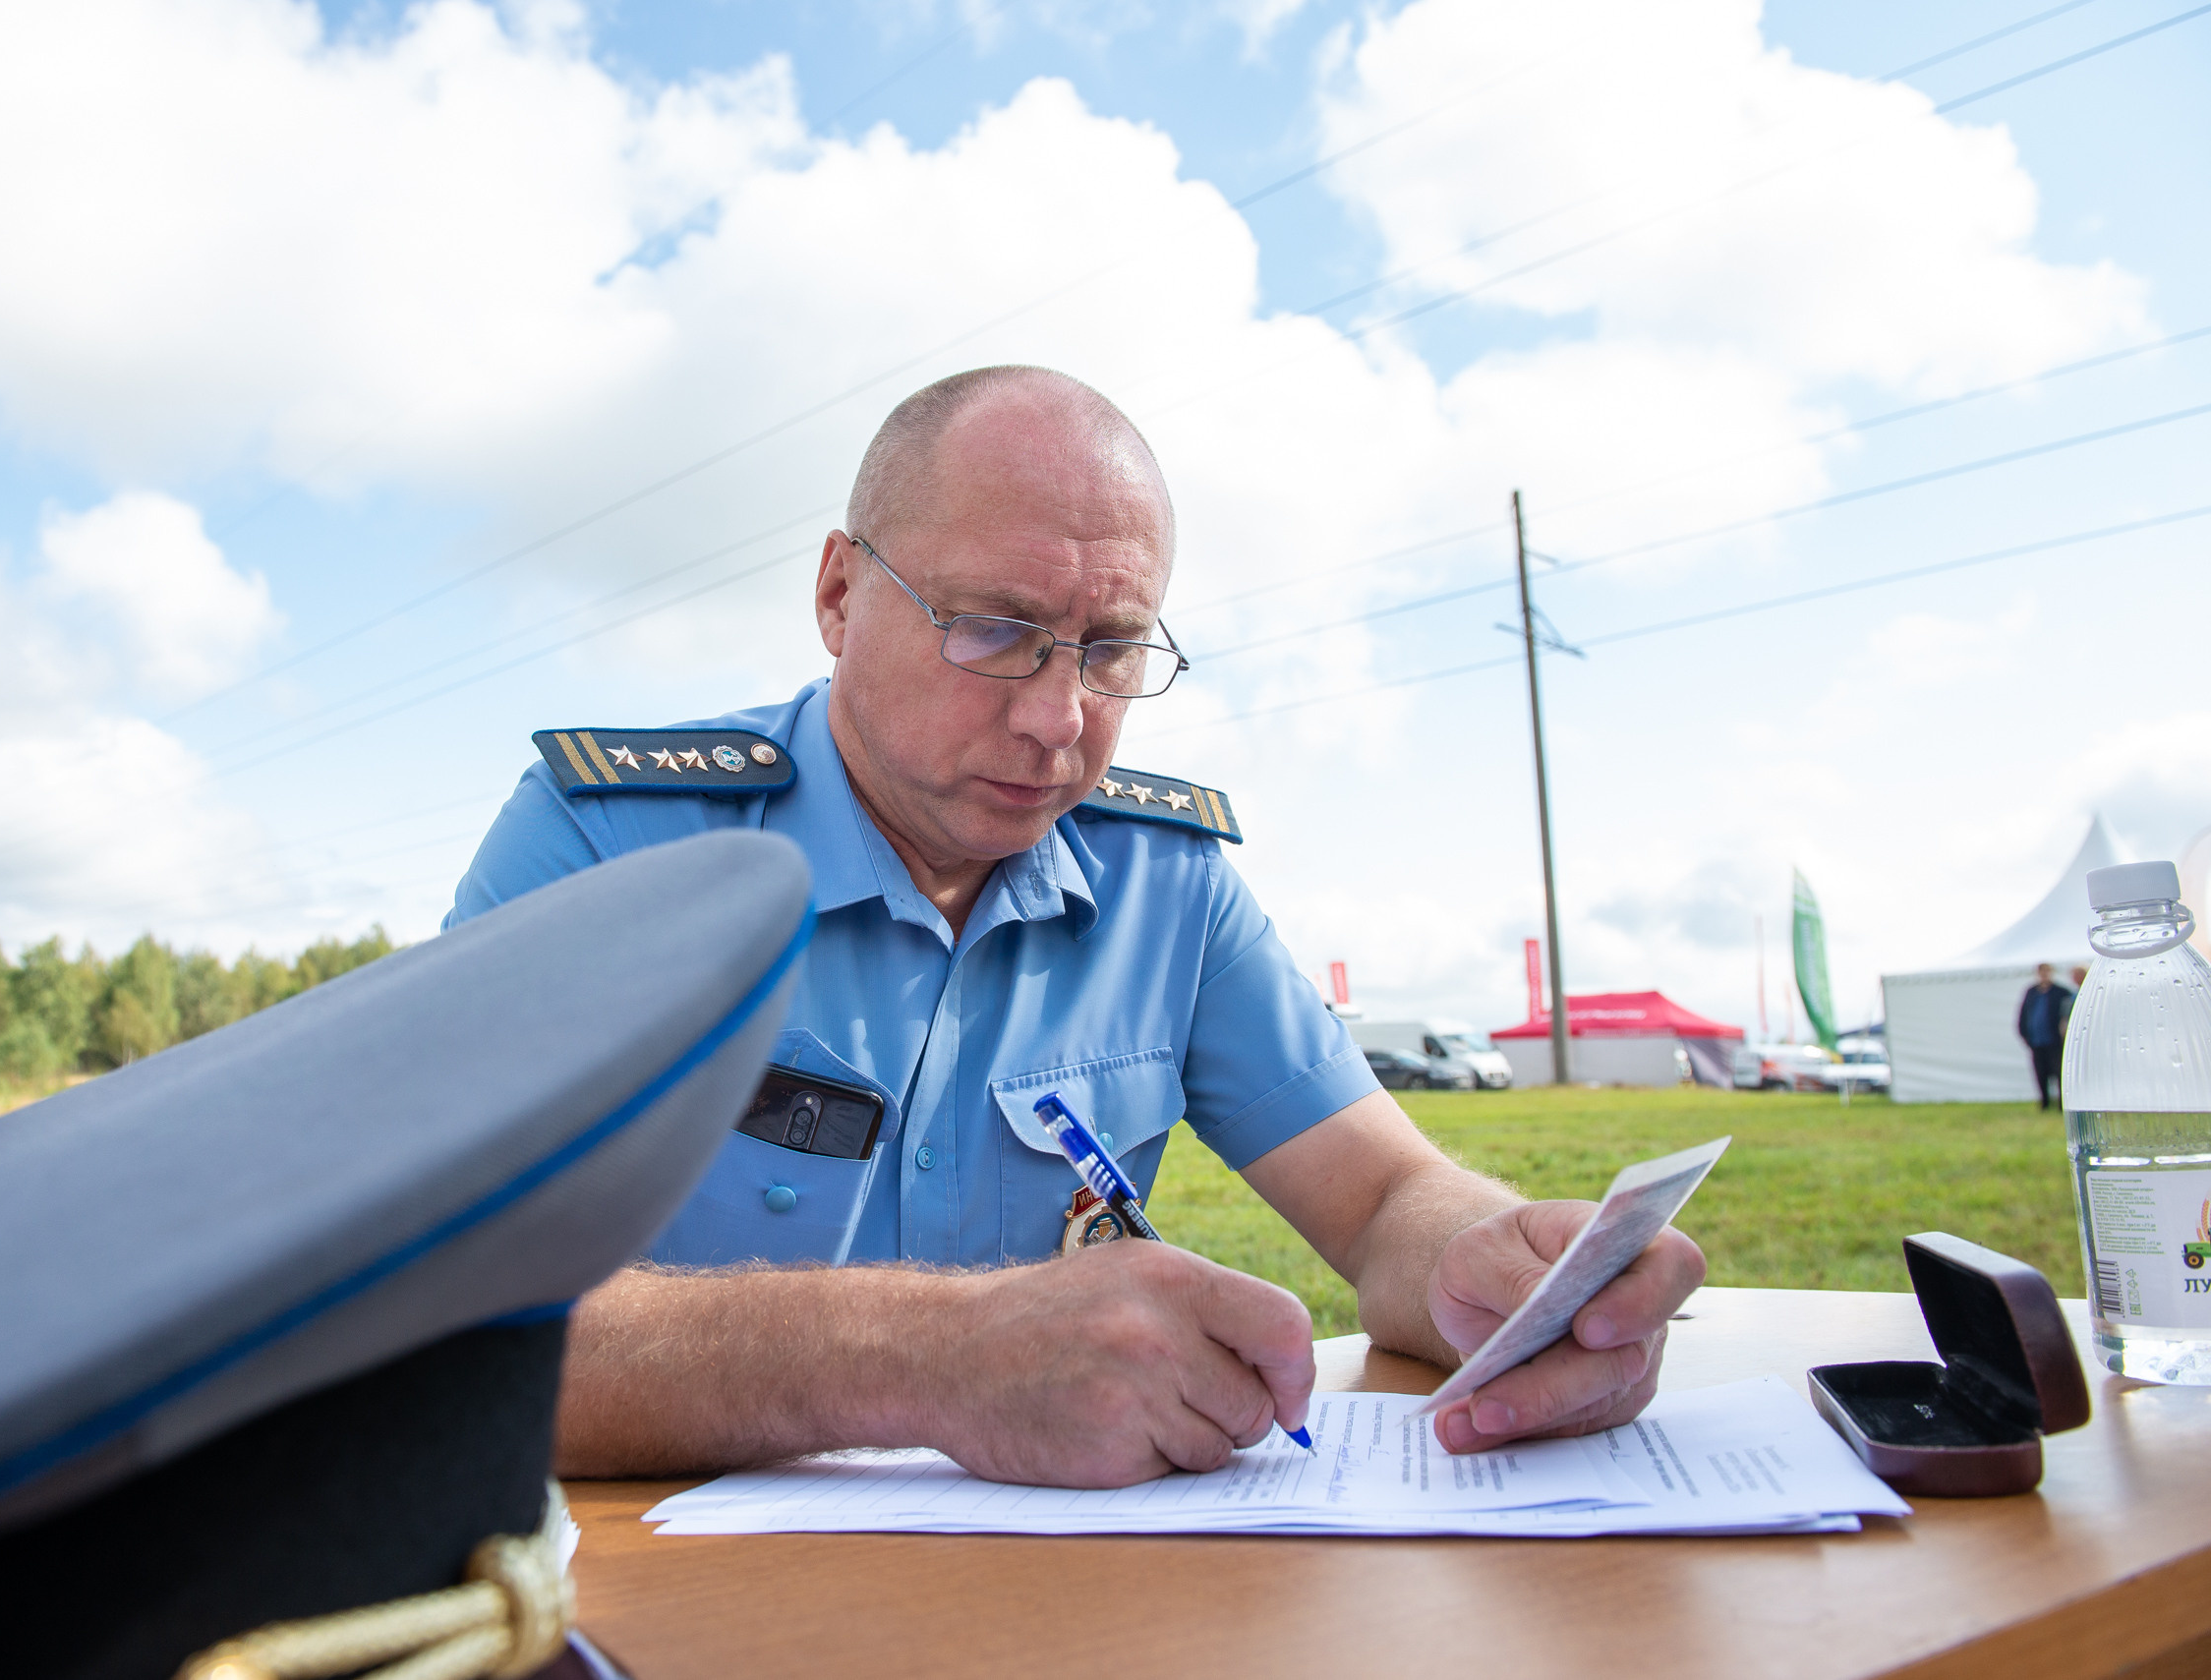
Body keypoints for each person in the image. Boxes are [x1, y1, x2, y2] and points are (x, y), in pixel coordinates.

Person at [445, 365, 1705, 1489]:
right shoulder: (605, 846)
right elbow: (435, 1328)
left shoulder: (1166, 882)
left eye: (1109, 650)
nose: (1060, 720)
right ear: (838, 594)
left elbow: (1381, 1197)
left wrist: (1484, 1266)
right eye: (996, 630)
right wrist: (926, 1358)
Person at [2018, 961, 2076, 1110]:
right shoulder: (2031, 992)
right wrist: (2025, 1034)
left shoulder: (2061, 992)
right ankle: (2044, 1102)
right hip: (2037, 1041)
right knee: (2040, 1073)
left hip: (2054, 1040)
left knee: (2058, 1071)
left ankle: (2062, 1103)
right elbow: (2024, 1014)